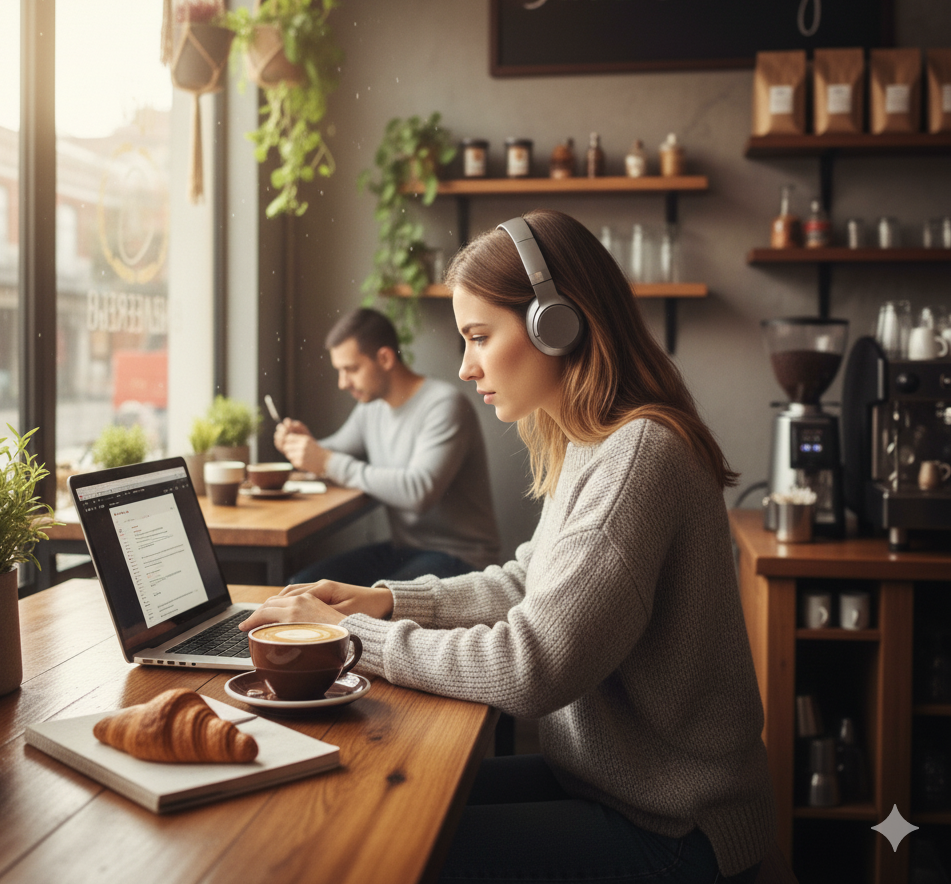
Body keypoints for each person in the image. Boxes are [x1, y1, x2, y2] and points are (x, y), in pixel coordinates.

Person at [242, 211, 774, 883]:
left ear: (560, 323)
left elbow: (534, 665)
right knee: (368, 798)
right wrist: (381, 602)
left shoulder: (642, 454)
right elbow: (528, 583)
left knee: (387, 850)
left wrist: (350, 638)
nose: (465, 367)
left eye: (479, 337)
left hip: (674, 828)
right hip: (613, 788)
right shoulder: (595, 441)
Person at [275, 307, 499, 585]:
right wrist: (304, 445)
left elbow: (419, 492)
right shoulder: (372, 408)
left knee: (373, 607)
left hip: (461, 558)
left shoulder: (445, 405)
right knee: (300, 586)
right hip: (404, 550)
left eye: (351, 369)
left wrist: (325, 461)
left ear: (384, 358)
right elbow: (335, 451)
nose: (343, 383)